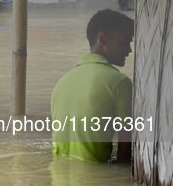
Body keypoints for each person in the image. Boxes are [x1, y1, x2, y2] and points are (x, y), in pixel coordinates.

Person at [51, 9, 134, 163]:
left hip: (59, 182)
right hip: (97, 179)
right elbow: (125, 150)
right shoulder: (120, 83)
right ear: (102, 39)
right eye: (124, 42)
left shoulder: (62, 82)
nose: (129, 50)